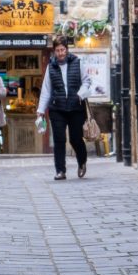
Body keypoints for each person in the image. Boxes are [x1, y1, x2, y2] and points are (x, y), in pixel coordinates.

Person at [37, 36, 92, 180]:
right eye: (57, 50)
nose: (60, 53)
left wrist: (81, 93)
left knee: (75, 139)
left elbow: (87, 81)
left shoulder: (77, 63)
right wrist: (41, 110)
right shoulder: (51, 67)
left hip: (76, 107)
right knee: (59, 139)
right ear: (54, 51)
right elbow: (46, 90)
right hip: (57, 108)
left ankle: (82, 161)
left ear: (67, 50)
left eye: (62, 50)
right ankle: (60, 170)